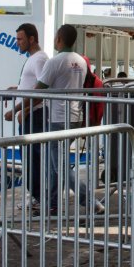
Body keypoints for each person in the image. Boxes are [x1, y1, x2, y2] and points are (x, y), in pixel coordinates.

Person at [34, 24, 102, 213]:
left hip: (58, 119)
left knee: (61, 166)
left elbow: (38, 90)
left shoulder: (54, 62)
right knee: (54, 162)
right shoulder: (81, 61)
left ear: (59, 39)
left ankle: (90, 202)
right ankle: (52, 204)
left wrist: (17, 108)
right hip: (75, 117)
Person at [4, 23, 49, 212]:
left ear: (31, 39)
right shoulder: (34, 58)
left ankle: (40, 198)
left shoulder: (39, 59)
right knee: (31, 158)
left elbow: (42, 90)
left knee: (32, 159)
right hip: (32, 114)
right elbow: (34, 86)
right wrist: (19, 88)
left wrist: (18, 110)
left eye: (20, 39)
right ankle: (38, 197)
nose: (17, 43)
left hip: (35, 115)